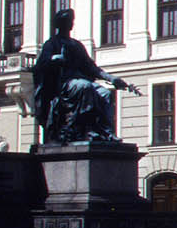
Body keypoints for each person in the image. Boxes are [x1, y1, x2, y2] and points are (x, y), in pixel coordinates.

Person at [31, 8, 138, 144]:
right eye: (68, 21)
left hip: (78, 82)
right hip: (64, 84)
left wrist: (111, 78)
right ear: (61, 24)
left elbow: (91, 67)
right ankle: (87, 131)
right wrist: (55, 59)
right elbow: (41, 65)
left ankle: (105, 132)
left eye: (71, 21)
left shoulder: (76, 45)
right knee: (85, 87)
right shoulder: (51, 44)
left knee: (105, 93)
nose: (71, 23)